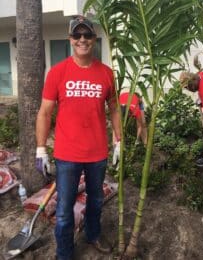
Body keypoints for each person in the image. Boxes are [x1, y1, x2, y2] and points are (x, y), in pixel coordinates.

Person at [35, 15, 121, 260]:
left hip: (97, 153)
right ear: (70, 39)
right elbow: (45, 112)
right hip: (67, 154)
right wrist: (41, 149)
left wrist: (119, 140)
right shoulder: (57, 72)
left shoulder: (106, 73)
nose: (82, 39)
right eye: (77, 35)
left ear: (94, 39)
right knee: (63, 210)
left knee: (95, 200)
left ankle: (93, 235)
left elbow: (114, 108)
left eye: (87, 35)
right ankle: (64, 253)